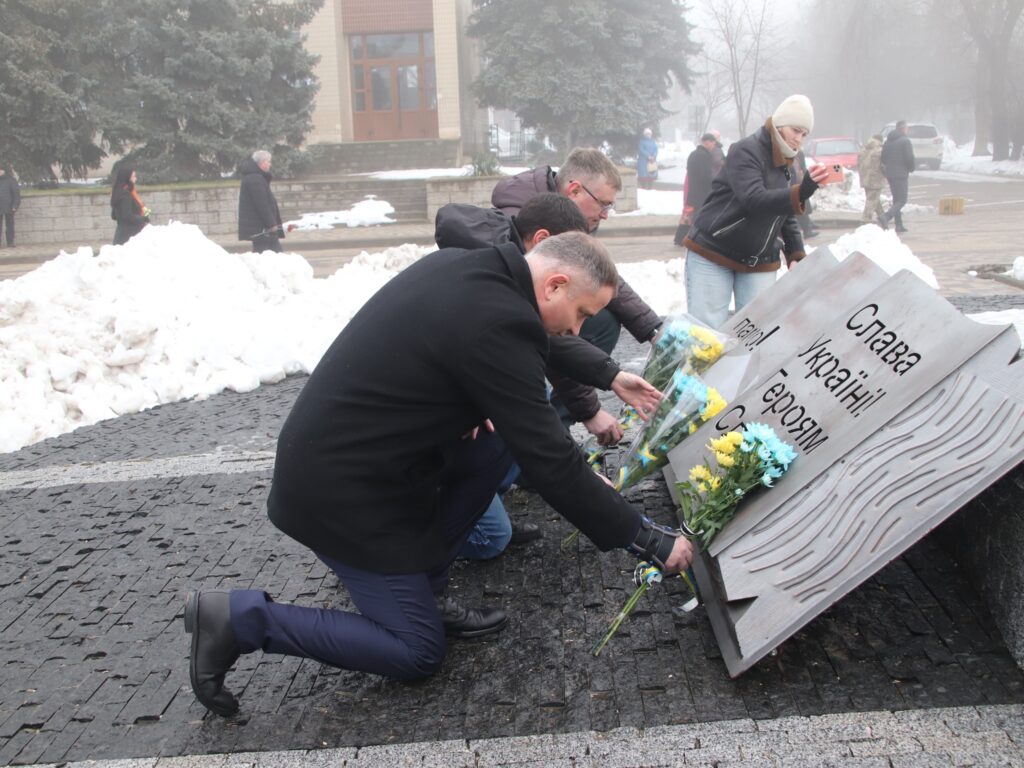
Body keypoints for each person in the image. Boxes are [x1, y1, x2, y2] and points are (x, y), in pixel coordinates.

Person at [183, 231, 693, 717]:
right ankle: (240, 620)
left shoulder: (475, 270)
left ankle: (422, 591)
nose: (577, 328)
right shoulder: (495, 317)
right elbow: (551, 460)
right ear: (555, 284)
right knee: (415, 651)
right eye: (581, 313)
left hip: (371, 466)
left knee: (496, 444)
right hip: (340, 495)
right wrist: (647, 538)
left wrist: (608, 373)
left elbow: (530, 343)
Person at [436, 193, 592, 558]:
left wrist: (610, 376)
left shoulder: (513, 270)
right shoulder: (486, 279)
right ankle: (402, 544)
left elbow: (543, 345)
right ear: (541, 241)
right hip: (416, 445)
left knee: (514, 412)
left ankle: (481, 501)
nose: (578, 328)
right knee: (492, 539)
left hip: (455, 416)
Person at [492, 148, 663, 446]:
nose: (606, 215)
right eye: (604, 204)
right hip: (487, 363)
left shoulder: (563, 221)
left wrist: (651, 328)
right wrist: (591, 410)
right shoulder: (528, 230)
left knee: (603, 319)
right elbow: (545, 330)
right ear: (574, 190)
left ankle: (552, 428)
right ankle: (539, 440)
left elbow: (600, 280)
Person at [682, 94, 831, 329]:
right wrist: (803, 191)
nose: (798, 139)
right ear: (780, 124)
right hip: (713, 251)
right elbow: (755, 199)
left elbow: (785, 213)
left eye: (804, 134)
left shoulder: (788, 166)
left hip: (759, 260)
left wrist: (795, 253)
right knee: (705, 335)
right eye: (795, 130)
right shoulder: (745, 150)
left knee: (752, 338)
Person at [674, 132, 718, 247]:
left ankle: (679, 238)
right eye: (713, 143)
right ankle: (696, 239)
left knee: (688, 215)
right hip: (701, 192)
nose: (713, 146)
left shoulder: (693, 154)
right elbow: (706, 176)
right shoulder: (705, 156)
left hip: (692, 189)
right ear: (708, 142)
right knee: (700, 216)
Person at [238, 149, 284, 253]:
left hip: (261, 227)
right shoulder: (255, 179)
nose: (270, 164)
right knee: (268, 254)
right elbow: (261, 204)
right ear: (262, 162)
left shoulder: (255, 177)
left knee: (270, 254)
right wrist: (271, 223)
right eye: (268, 161)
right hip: (261, 228)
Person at [880, 121, 915, 233]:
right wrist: (911, 168)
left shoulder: (888, 142)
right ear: (903, 128)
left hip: (890, 174)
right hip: (901, 174)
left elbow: (883, 158)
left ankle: (899, 225)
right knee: (902, 200)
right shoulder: (905, 141)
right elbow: (909, 158)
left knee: (896, 199)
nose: (907, 130)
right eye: (906, 128)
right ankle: (886, 216)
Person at [110, 166, 149, 246]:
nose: (136, 178)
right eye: (134, 176)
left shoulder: (118, 193)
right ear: (128, 178)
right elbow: (126, 215)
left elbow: (114, 215)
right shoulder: (126, 194)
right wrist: (143, 218)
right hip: (129, 237)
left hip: (121, 235)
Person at [858, 133, 887, 228]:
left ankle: (884, 221)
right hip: (875, 179)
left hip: (865, 179)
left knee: (875, 201)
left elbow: (859, 165)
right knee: (872, 201)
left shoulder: (863, 150)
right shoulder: (879, 151)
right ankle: (865, 221)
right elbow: (883, 166)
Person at [792, 150, 821, 238]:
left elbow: (803, 167)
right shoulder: (784, 154)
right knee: (799, 208)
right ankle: (807, 229)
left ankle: (808, 225)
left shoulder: (799, 153)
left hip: (799, 182)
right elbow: (786, 171)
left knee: (803, 204)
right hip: (792, 185)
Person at [0, 165, 20, 248]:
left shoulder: (11, 180)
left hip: (9, 207)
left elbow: (16, 194)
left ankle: (10, 242)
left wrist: (15, 205)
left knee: (10, 225)